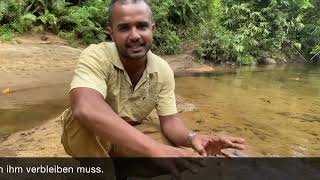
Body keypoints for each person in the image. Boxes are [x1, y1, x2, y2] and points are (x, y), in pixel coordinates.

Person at [61, 0, 245, 162]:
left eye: (142, 26)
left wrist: (193, 137)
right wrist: (155, 149)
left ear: (152, 29)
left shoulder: (163, 69)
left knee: (183, 156)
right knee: (83, 121)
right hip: (90, 137)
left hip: (130, 135)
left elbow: (170, 122)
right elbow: (85, 107)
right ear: (111, 33)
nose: (134, 35)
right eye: (124, 28)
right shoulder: (97, 55)